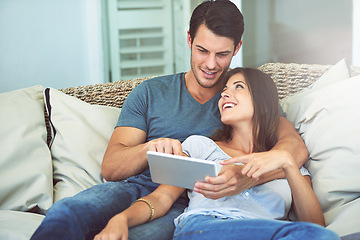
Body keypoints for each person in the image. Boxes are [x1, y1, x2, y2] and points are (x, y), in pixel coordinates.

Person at [31, 1, 308, 239]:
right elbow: (111, 168)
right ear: (189, 40)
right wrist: (151, 147)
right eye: (202, 50)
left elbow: (295, 150)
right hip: (136, 188)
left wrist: (246, 177)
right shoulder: (151, 93)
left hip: (186, 204)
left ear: (237, 48)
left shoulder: (243, 99)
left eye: (222, 54)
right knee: (68, 212)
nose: (211, 64)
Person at [94, 67, 339, 240]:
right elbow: (162, 199)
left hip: (265, 230)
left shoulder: (285, 160)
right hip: (204, 226)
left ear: (263, 100)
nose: (224, 93)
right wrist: (121, 220)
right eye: (225, 89)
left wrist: (286, 163)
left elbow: (316, 226)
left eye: (238, 87)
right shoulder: (201, 147)